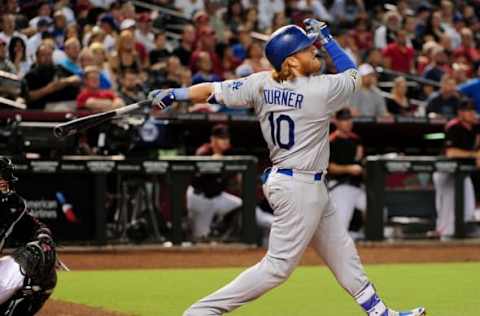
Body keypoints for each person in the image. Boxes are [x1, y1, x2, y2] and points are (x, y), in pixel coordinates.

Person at [150, 19, 425, 316]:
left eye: (315, 47)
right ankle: (201, 312)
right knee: (277, 268)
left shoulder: (261, 82)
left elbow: (211, 91)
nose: (316, 52)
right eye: (309, 49)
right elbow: (354, 74)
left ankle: (380, 312)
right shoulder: (319, 90)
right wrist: (329, 39)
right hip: (299, 186)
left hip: (301, 182)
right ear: (292, 60)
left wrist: (175, 94)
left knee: (342, 251)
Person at [0, 157, 57, 315]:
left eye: (4, 179)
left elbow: (37, 228)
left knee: (41, 265)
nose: (3, 184)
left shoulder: (12, 206)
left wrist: (44, 239)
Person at [432, 100, 479, 239]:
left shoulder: (475, 127)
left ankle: (461, 232)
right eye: (468, 111)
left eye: (473, 111)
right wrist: (474, 155)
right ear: (460, 113)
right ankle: (443, 234)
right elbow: (451, 153)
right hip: (445, 170)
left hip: (461, 172)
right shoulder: (453, 127)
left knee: (468, 204)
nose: (472, 114)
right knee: (447, 206)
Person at [328, 108, 366, 235]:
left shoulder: (356, 139)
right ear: (337, 122)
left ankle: (363, 238)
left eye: (349, 119)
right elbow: (329, 167)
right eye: (344, 120)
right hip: (340, 186)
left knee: (376, 213)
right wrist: (349, 168)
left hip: (358, 186)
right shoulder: (331, 141)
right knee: (341, 227)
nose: (348, 122)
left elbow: (359, 161)